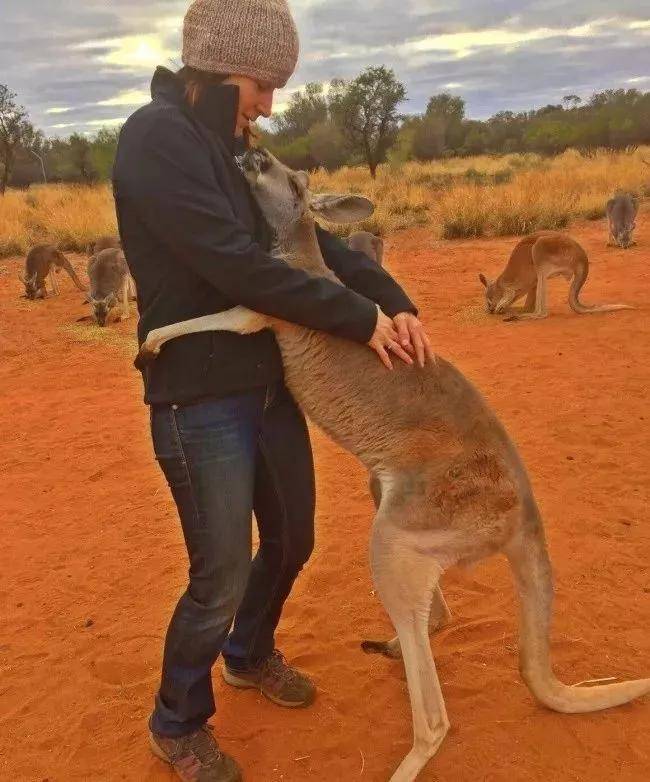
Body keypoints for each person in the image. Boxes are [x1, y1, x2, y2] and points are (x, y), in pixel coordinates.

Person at [112, 1, 433, 779]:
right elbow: (236, 264)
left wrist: (395, 301)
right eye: (263, 84)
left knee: (293, 539)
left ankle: (248, 654)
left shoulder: (232, 147)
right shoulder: (158, 142)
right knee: (220, 571)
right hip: (198, 396)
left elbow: (306, 245)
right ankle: (177, 720)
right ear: (224, 70)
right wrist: (359, 321)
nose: (269, 103)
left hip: (266, 381)